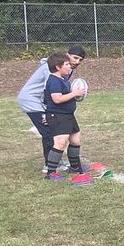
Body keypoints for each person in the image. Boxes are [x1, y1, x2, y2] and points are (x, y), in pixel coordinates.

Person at [17, 45, 86, 176]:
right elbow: (49, 92)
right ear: (67, 55)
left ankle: (60, 163)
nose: (77, 61)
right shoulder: (53, 71)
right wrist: (48, 113)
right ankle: (49, 165)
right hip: (31, 99)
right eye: (75, 58)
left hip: (41, 100)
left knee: (54, 130)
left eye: (80, 60)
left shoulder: (66, 69)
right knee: (49, 130)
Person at [41, 51, 85, 179]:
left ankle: (75, 167)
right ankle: (51, 173)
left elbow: (66, 95)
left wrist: (77, 95)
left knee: (75, 140)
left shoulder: (63, 79)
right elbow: (57, 99)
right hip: (58, 116)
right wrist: (74, 93)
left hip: (68, 115)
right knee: (60, 143)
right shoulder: (54, 80)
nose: (70, 66)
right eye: (66, 64)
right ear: (58, 67)